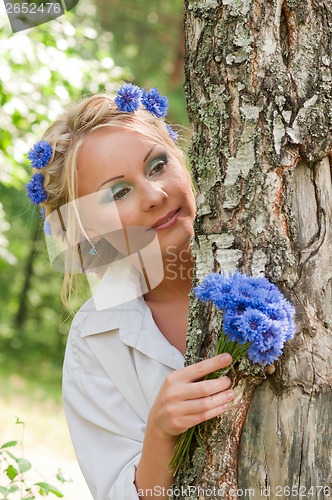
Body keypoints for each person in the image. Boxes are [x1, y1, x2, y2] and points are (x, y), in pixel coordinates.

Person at [25, 84, 234, 500]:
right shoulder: (94, 342)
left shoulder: (279, 249)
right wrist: (159, 431)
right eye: (118, 193)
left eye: (157, 166)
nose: (155, 196)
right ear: (88, 229)